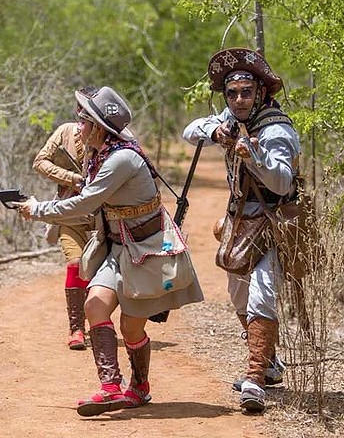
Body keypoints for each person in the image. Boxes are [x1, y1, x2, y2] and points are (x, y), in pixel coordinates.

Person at [17, 86, 203, 417]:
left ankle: (139, 388)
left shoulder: (120, 160)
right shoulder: (100, 155)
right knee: (94, 305)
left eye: (84, 121)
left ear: (99, 127)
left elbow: (86, 202)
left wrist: (38, 209)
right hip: (118, 248)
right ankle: (111, 387)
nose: (78, 126)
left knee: (131, 328)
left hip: (145, 252)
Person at [182, 47, 301, 413]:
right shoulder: (229, 118)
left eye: (246, 92)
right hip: (239, 222)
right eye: (231, 93)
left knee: (261, 295)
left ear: (260, 92)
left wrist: (255, 157)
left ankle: (255, 379)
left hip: (274, 221)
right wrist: (215, 131)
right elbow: (190, 131)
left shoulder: (277, 130)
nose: (238, 100)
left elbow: (282, 182)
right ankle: (270, 362)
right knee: (238, 294)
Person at [32, 92, 95, 350]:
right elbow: (40, 162)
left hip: (104, 218)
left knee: (101, 273)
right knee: (75, 264)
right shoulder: (66, 132)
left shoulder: (116, 136)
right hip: (70, 213)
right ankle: (76, 328)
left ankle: (99, 324)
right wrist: (72, 178)